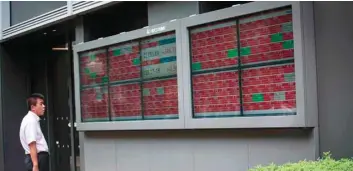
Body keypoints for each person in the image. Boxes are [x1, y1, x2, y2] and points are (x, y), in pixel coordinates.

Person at [19, 93, 49, 171]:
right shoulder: (31, 121)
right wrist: (35, 165)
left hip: (37, 158)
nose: (44, 106)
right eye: (41, 104)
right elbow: (32, 144)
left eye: (43, 104)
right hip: (37, 159)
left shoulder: (32, 119)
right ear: (33, 107)